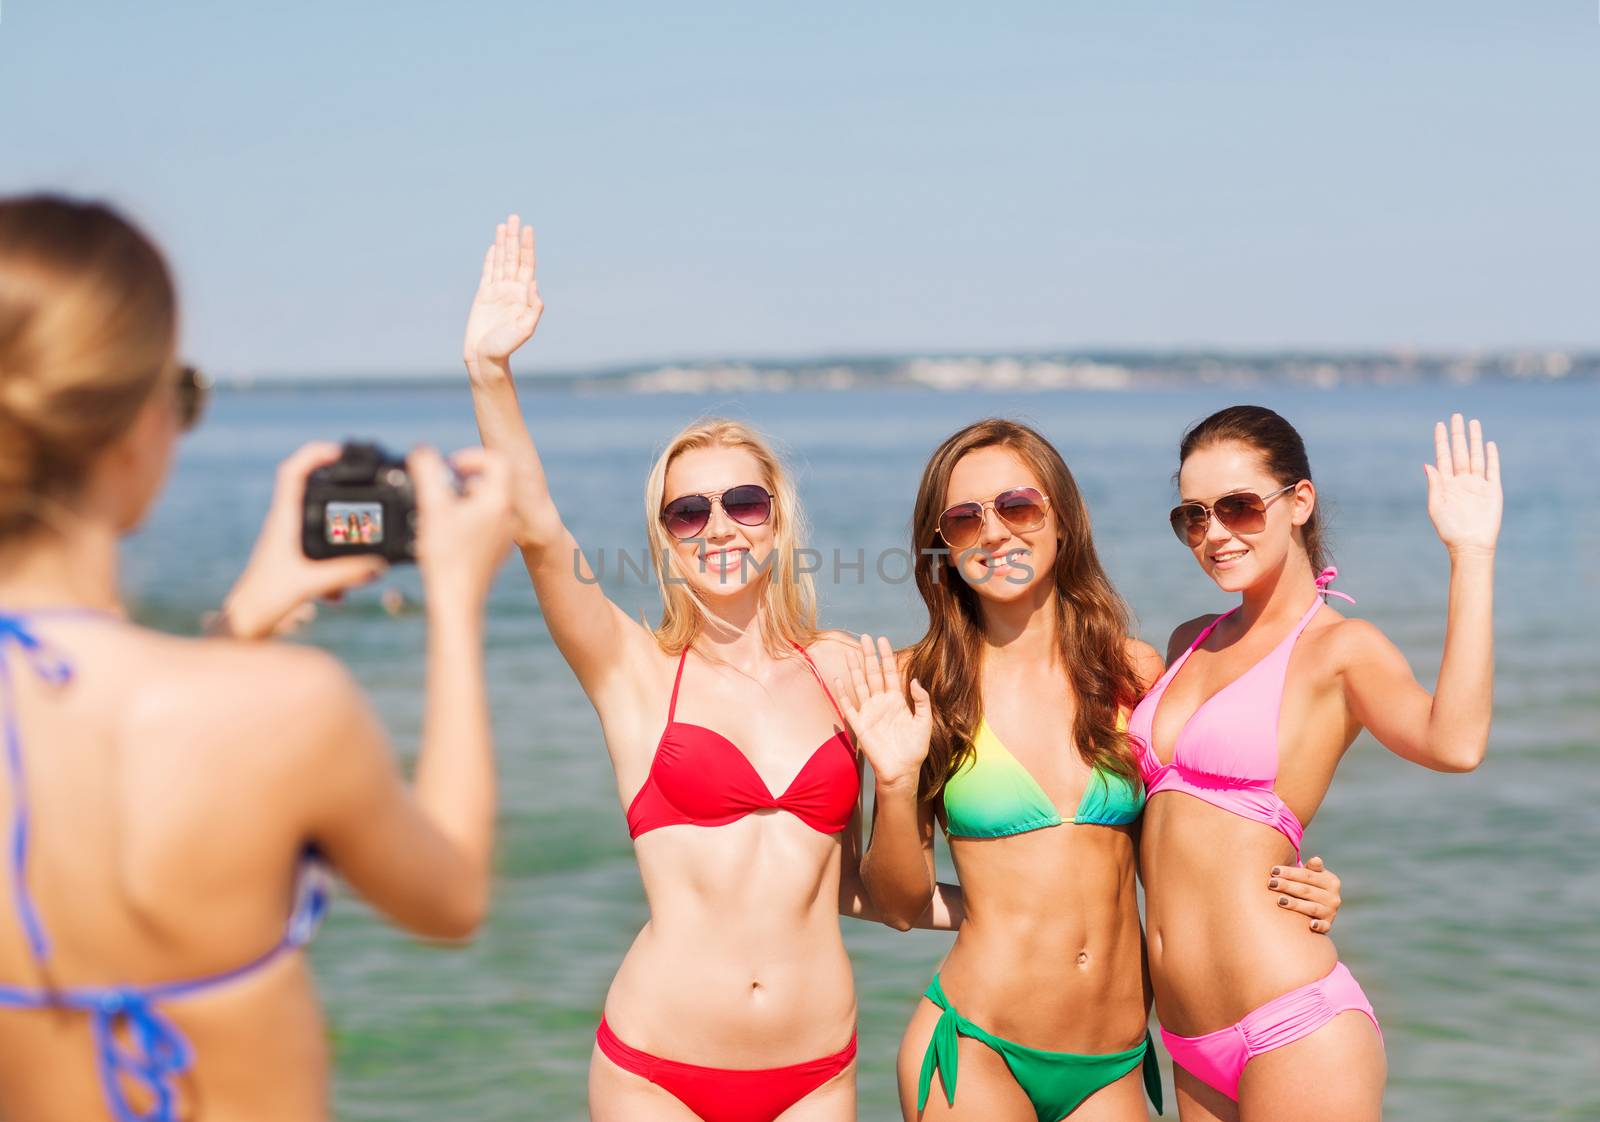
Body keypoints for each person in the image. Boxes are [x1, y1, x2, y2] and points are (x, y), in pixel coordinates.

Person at [0, 194, 514, 1122]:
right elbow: (454, 894)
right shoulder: (286, 711)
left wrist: (245, 614)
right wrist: (453, 598)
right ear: (135, 430)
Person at [459, 214, 959, 1122]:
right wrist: (490, 373)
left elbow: (873, 892)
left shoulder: (845, 670)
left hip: (816, 1069)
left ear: (777, 517)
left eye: (743, 501)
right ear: (665, 538)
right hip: (659, 1068)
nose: (719, 525)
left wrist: (993, 890)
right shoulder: (632, 672)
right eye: (688, 511)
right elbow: (535, 528)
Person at [845, 419, 1345, 1121]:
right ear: (942, 546)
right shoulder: (918, 685)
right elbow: (897, 902)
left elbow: (1194, 835)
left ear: (1061, 519)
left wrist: (1288, 887)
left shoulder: (1133, 670)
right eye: (963, 520)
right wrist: (895, 786)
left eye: (1017, 507)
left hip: (1114, 1063)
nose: (994, 533)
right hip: (977, 1048)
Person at [1130, 405, 1499, 1120]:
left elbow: (1454, 744)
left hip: (1294, 1025)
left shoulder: (1341, 648)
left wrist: (1471, 556)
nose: (1215, 534)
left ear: (1299, 502)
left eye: (1238, 508)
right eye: (1193, 517)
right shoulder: (1187, 642)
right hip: (1187, 1037)